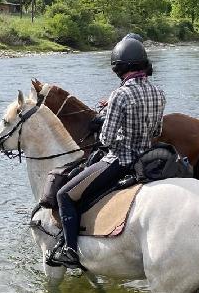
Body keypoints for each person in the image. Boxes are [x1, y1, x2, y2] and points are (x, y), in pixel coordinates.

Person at [46, 34, 165, 269]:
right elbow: (157, 130)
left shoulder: (120, 95)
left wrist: (109, 120)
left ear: (119, 68)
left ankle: (70, 250)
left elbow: (107, 138)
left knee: (65, 195)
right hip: (148, 158)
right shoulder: (159, 92)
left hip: (121, 160)